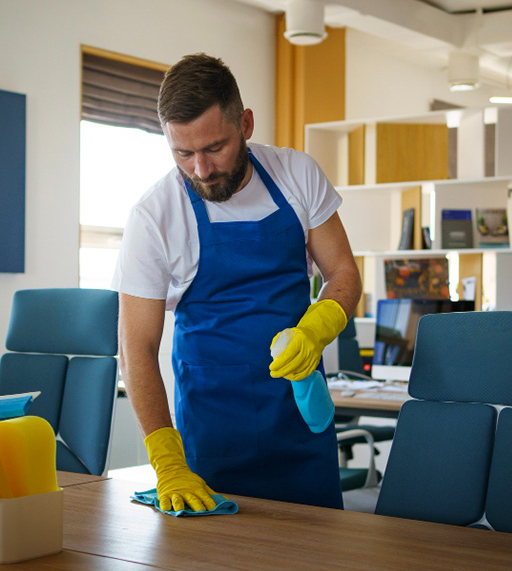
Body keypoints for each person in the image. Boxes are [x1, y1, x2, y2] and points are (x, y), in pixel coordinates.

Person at [112, 53, 361, 513]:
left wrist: (317, 327)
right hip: (212, 436)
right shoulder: (154, 216)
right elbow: (136, 349)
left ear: (245, 123)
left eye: (214, 148)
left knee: (321, 570)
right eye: (182, 153)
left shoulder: (297, 174)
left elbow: (343, 273)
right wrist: (166, 461)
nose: (201, 169)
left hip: (300, 421)